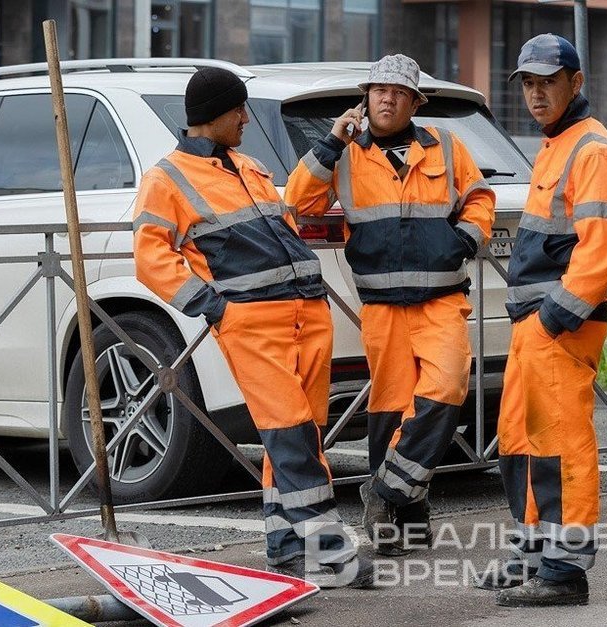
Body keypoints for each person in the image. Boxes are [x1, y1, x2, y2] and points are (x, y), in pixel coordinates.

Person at [132, 66, 374, 588]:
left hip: (307, 313)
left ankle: (285, 549)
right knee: (289, 432)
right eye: (238, 109)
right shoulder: (166, 178)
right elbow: (151, 258)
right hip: (252, 322)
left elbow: (283, 222)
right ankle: (330, 549)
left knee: (302, 434)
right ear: (213, 114)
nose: (246, 118)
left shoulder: (249, 166)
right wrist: (213, 306)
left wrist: (333, 143)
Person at [285, 54, 495, 555]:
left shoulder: (445, 145)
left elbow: (480, 199)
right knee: (392, 409)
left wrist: (463, 241)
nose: (388, 99)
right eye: (380, 90)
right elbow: (296, 203)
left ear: (414, 103)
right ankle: (404, 518)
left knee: (445, 391)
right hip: (382, 306)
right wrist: (332, 141)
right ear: (366, 98)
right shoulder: (345, 154)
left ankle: (384, 491)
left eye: (399, 93)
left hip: (441, 298)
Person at [475, 33, 607, 607]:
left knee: (560, 445)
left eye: (548, 82)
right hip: (538, 325)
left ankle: (565, 572)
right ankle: (535, 554)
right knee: (522, 440)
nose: (536, 94)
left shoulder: (592, 150)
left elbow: (601, 251)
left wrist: (550, 322)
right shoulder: (557, 144)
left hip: (558, 326)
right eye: (529, 84)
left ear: (576, 82)